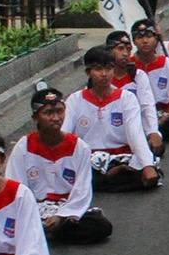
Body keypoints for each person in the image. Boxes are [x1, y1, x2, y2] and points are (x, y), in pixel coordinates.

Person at [8, 87, 112, 245]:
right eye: (48, 113)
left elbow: (82, 190)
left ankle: (43, 234)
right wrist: (31, 214)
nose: (56, 118)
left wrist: (62, 216)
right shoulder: (23, 147)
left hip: (66, 208)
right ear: (35, 117)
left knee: (101, 226)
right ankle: (46, 233)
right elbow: (15, 187)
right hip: (34, 209)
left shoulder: (79, 147)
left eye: (59, 111)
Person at [65, 46, 159, 192]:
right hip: (89, 160)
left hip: (121, 157)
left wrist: (147, 165)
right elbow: (65, 134)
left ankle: (105, 179)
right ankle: (106, 178)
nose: (104, 74)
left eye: (108, 68)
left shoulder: (127, 98)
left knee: (147, 176)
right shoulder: (75, 100)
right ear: (88, 72)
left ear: (114, 70)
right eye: (98, 69)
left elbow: (136, 134)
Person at [129, 20, 169, 150]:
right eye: (140, 37)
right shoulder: (128, 67)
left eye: (149, 36)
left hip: (163, 113)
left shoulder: (167, 64)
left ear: (156, 39)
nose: (145, 41)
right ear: (134, 42)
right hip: (139, 115)